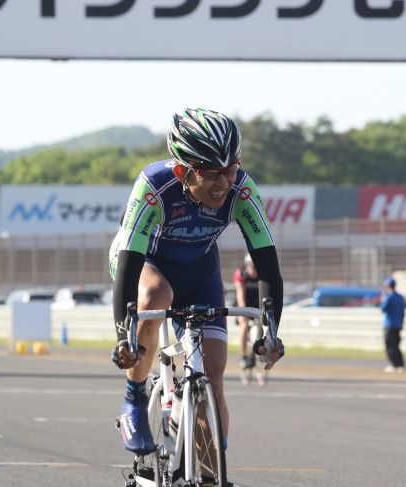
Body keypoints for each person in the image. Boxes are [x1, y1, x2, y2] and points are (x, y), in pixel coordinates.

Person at [108, 108, 285, 460]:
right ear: (182, 171)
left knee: (214, 376)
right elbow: (130, 263)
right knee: (157, 294)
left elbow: (267, 263)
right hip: (146, 264)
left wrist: (271, 331)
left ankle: (206, 475)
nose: (223, 183)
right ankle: (134, 397)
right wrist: (124, 337)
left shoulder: (241, 191)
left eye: (230, 170)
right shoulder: (155, 185)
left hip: (200, 271)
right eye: (209, 174)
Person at [235, 253, 260, 369]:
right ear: (247, 266)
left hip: (257, 305)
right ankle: (242, 356)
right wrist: (243, 314)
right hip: (244, 304)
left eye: (257, 267)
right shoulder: (241, 274)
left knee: (262, 327)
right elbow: (241, 296)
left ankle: (257, 353)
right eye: (253, 267)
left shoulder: (262, 274)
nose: (255, 270)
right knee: (244, 326)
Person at [380, 277, 406, 373]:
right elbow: (403, 311)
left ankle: (394, 364)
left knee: (390, 346)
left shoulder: (388, 297)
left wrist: (382, 299)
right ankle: (400, 364)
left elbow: (383, 308)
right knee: (396, 345)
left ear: (388, 286)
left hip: (389, 324)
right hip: (398, 324)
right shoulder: (400, 297)